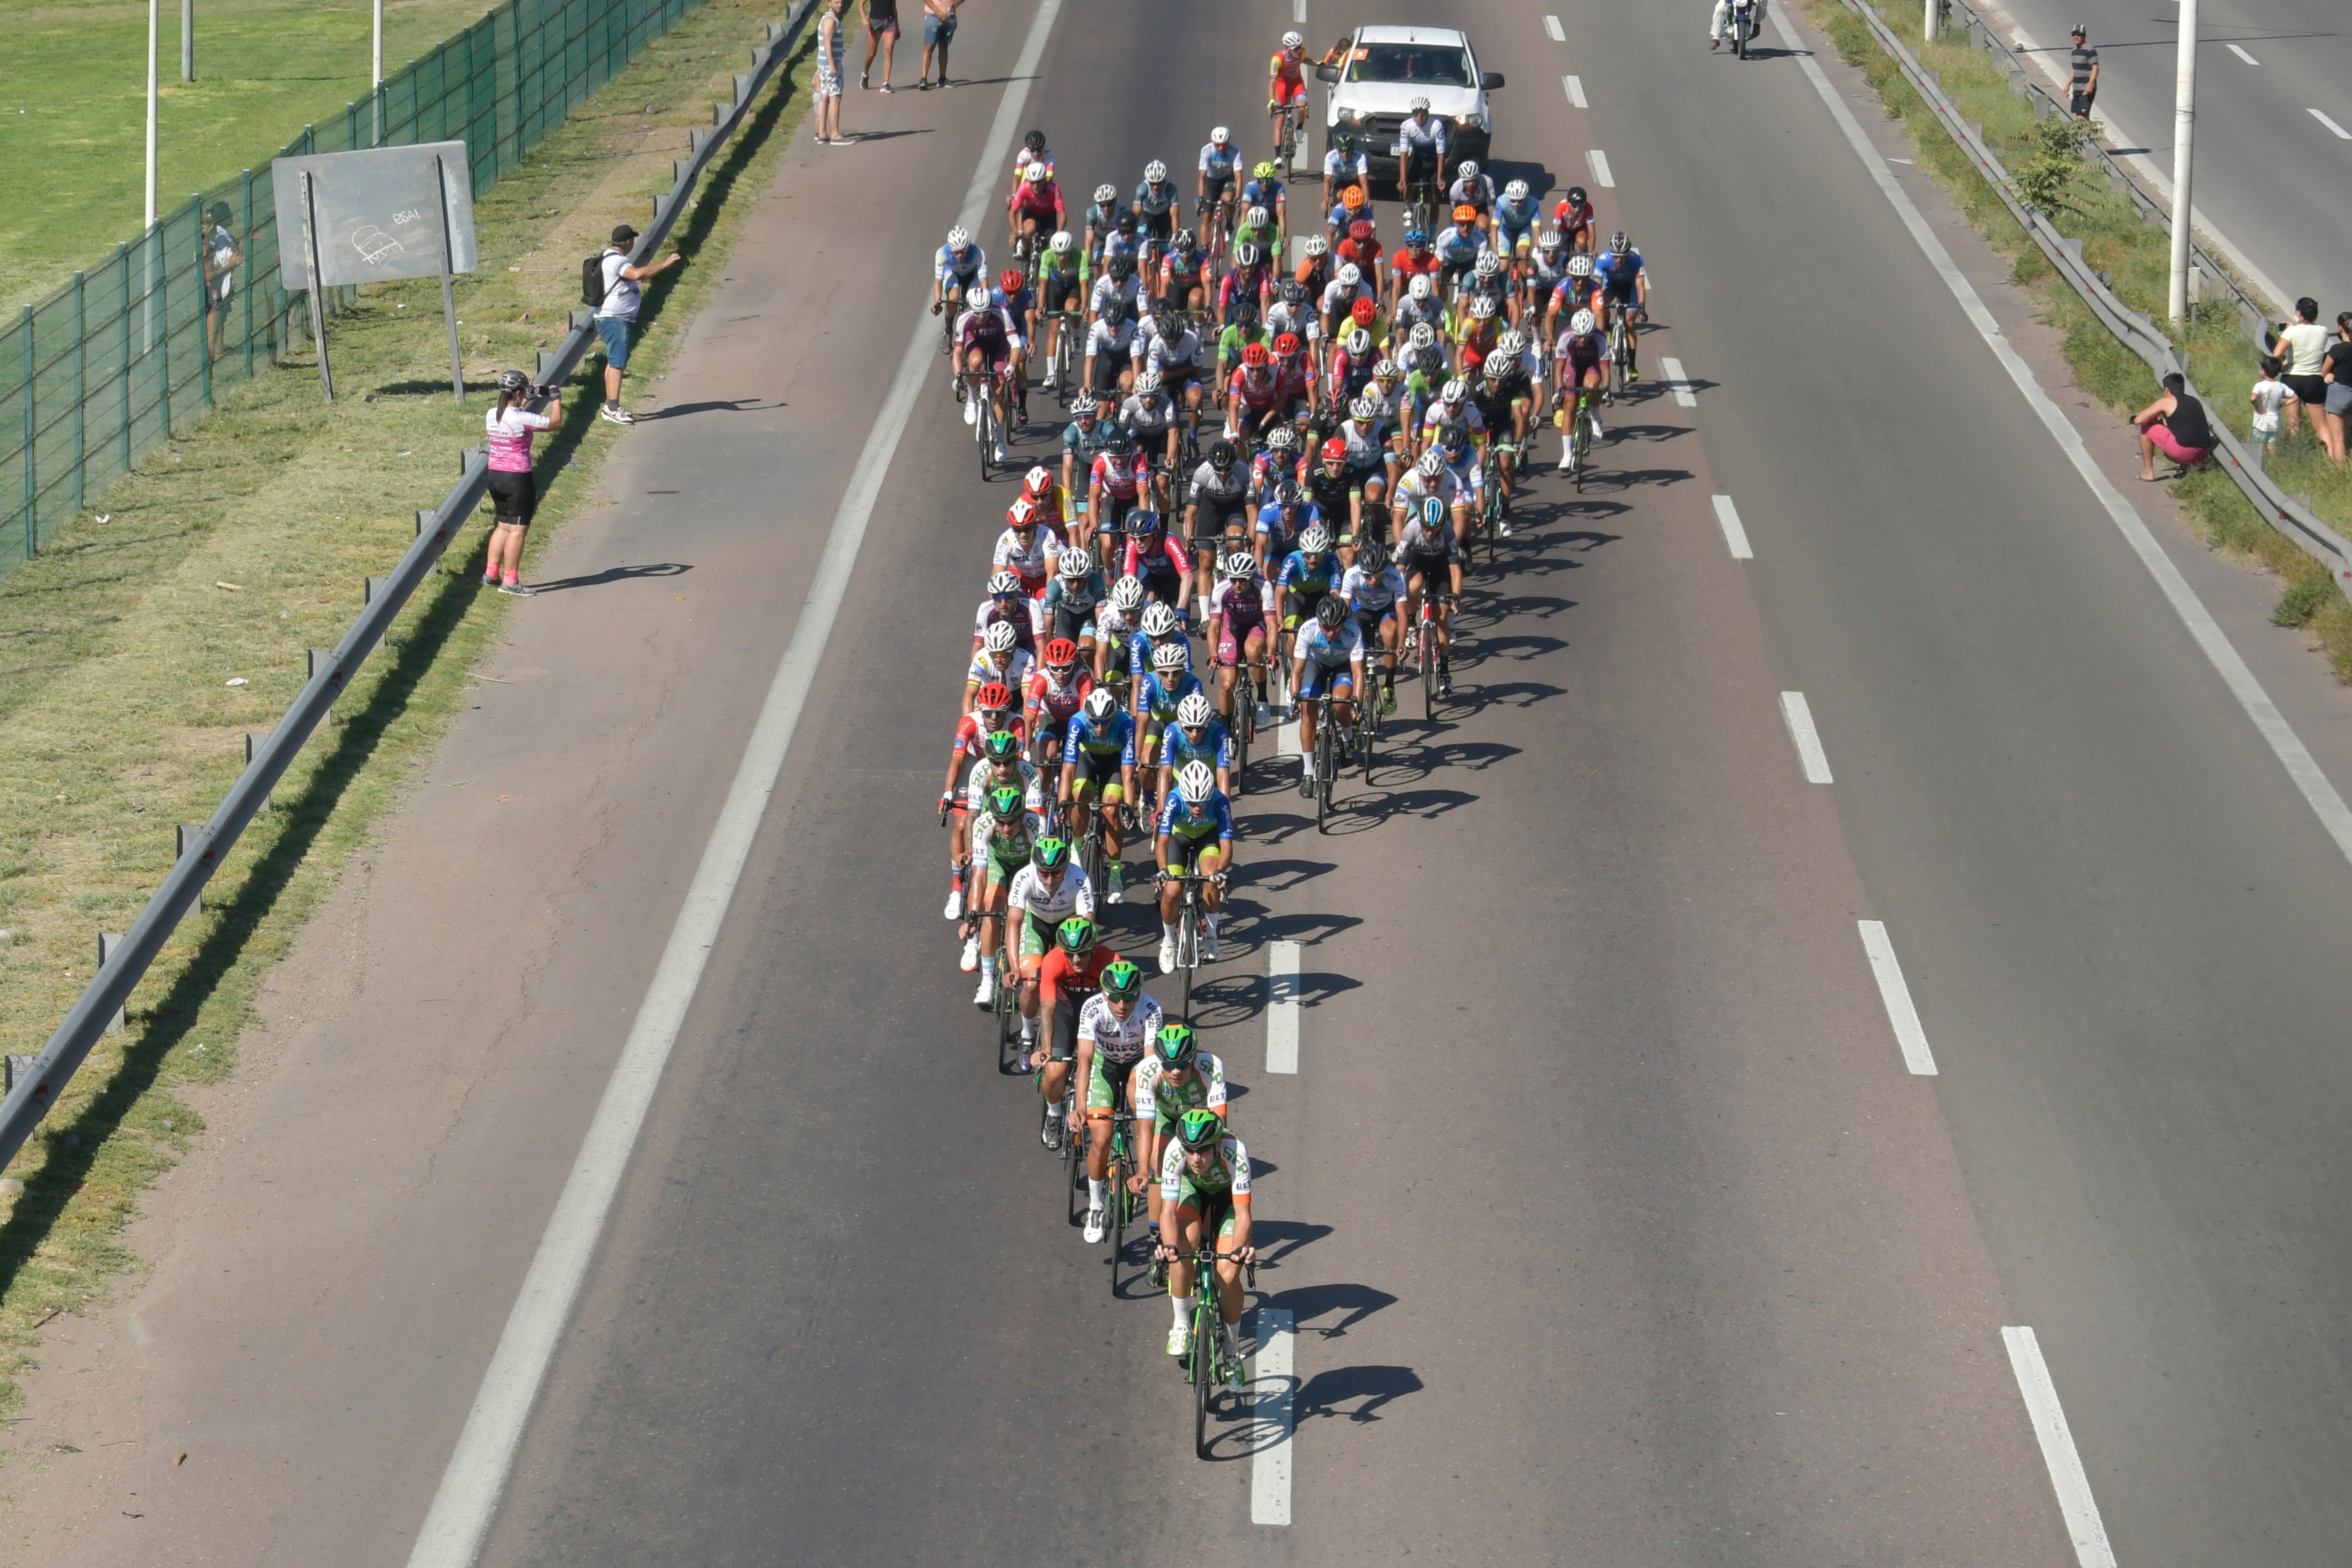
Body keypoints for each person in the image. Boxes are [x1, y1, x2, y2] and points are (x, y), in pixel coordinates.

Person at [1153, 1108, 1255, 1363]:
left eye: (1203, 1151)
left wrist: (1238, 1250)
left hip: (1227, 1198)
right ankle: (1181, 1325)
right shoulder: (1175, 1152)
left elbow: (1243, 1214)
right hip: (1193, 1191)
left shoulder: (1235, 1151)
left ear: (1217, 1145)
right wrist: (1169, 1246)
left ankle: (1232, 1351)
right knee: (1181, 1248)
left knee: (1228, 1275)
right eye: (1190, 1151)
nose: (1196, 1158)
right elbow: (1167, 1213)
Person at [1072, 960, 1162, 1242]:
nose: (1122, 1005)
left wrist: (1147, 1111)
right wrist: (1080, 1107)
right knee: (1101, 1137)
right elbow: (1085, 1060)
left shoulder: (1151, 1010)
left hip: (1136, 1064)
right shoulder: (1092, 1008)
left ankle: (1143, 1165)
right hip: (1104, 1066)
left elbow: (1149, 1065)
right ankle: (1096, 1205)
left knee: (1140, 1099)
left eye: (1129, 997)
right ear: (1104, 993)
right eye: (1114, 997)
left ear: (1139, 994)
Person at [482, 370, 563, 597]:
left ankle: (491, 573)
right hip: (517, 479)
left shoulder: (492, 414)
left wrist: (526, 399)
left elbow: (512, 415)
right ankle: (510, 581)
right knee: (518, 531)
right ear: (518, 393)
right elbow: (555, 423)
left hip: (495, 476)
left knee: (503, 526)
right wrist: (555, 399)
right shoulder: (521, 418)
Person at [595, 225, 682, 425]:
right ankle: (613, 408)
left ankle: (610, 405)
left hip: (611, 317)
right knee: (618, 362)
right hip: (615, 317)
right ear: (628, 242)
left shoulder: (608, 257)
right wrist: (665, 264)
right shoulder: (617, 260)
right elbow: (637, 275)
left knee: (614, 361)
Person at [1154, 760, 1233, 971]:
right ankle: (1169, 941)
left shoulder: (1220, 802)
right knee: (1172, 891)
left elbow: (1227, 847)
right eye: (1191, 803)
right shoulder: (1174, 799)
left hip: (1207, 838)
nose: (1197, 808)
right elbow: (1162, 843)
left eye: (1202, 803)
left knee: (1211, 878)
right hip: (1179, 838)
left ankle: (1212, 937)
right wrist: (1163, 871)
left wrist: (1220, 871)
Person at [2133, 372, 2212, 481]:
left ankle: (2148, 473)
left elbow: (2139, 420)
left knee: (2145, 428)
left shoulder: (2167, 401)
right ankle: (2190, 468)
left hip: (2183, 452)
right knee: (2180, 435)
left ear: (2167, 390)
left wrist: (2153, 418)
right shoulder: (2195, 401)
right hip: (2203, 454)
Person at [2273, 298, 2329, 439]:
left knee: (2293, 423)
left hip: (2292, 378)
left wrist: (2285, 364)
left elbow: (2277, 354)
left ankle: (2295, 448)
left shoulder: (2291, 332)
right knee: (2322, 425)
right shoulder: (2323, 331)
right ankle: (2331, 451)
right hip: (2314, 379)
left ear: (2299, 313)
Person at [200, 201, 242, 363]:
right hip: (213, 291)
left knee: (216, 326)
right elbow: (209, 277)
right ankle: (209, 368)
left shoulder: (211, 243)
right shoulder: (207, 250)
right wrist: (230, 265)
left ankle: (217, 352)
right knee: (211, 334)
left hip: (214, 289)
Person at [1268, 30, 1309, 159]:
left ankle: (1300, 127)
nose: (1299, 50)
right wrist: (1271, 100)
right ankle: (1278, 156)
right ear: (1288, 48)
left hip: (1297, 84)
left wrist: (1320, 63)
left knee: (1301, 107)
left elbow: (1306, 60)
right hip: (1282, 86)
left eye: (1300, 47)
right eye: (1296, 48)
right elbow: (1272, 82)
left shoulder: (1302, 53)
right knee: (1280, 120)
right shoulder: (1277, 60)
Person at [812, 0, 848, 144]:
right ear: (829, 3)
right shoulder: (830, 21)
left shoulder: (829, 19)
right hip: (830, 65)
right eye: (837, 2)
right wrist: (833, 65)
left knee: (825, 96)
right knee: (835, 97)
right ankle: (835, 135)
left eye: (841, 2)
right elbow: (827, 43)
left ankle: (822, 133)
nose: (840, 5)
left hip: (825, 64)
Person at [2321, 312, 2352, 464]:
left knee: (2337, 440)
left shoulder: (2337, 349)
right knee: (2344, 438)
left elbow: (2324, 371)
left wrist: (2328, 376)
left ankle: (2339, 470)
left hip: (2339, 392)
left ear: (2340, 328)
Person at [2249, 355, 2294, 459]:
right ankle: (2273, 461)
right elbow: (2295, 397)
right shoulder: (2281, 386)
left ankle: (2256, 461)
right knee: (2271, 445)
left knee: (2257, 445)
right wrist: (2281, 405)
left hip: (2261, 422)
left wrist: (2258, 407)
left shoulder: (2260, 385)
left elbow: (2253, 398)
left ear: (2264, 371)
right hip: (2274, 421)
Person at [916, 0, 959, 88]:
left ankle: (942, 79)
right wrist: (938, 12)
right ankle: (924, 79)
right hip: (933, 15)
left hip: (950, 16)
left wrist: (956, 4)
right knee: (929, 47)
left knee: (944, 47)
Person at [859, 0, 899, 89]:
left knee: (889, 50)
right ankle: (865, 73)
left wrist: (897, 26)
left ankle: (886, 83)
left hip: (890, 21)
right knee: (872, 53)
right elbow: (861, 4)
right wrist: (864, 20)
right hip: (875, 22)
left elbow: (894, 7)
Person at [2066, 25, 2099, 121]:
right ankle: (2088, 131)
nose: (2076, 37)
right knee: (2079, 116)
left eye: (2078, 35)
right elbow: (2075, 69)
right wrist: (2068, 85)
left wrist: (2090, 86)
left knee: (2083, 117)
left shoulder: (2090, 50)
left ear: (2084, 36)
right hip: (2077, 88)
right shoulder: (2074, 51)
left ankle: (2089, 131)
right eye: (2074, 35)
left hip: (2086, 88)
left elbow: (2096, 68)